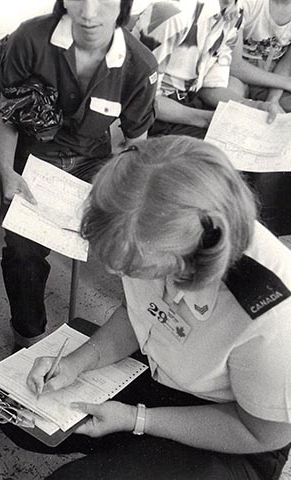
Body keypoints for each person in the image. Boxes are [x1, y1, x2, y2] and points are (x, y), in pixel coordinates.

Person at [22, 135, 291, 480]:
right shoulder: (150, 233)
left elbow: (263, 434)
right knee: (22, 418)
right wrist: (77, 363)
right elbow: (139, 314)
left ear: (188, 256)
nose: (114, 272)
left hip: (236, 430)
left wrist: (137, 420)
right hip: (164, 372)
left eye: (132, 267)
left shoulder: (274, 315)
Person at [0, 0, 159, 348]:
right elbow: (6, 116)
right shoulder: (30, 39)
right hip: (32, 162)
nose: (89, 12)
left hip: (93, 164)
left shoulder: (140, 65)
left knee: (138, 231)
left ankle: (141, 333)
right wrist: (6, 172)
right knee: (23, 251)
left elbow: (135, 146)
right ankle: (28, 337)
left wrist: (117, 193)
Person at [133, 0, 281, 139]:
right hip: (150, 117)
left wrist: (251, 106)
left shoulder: (235, 11)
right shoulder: (172, 13)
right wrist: (204, 119)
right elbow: (142, 101)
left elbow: (211, 87)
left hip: (188, 104)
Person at [229, 0, 291, 112]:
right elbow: (234, 65)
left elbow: (285, 66)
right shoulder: (248, 3)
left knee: (280, 109)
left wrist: (273, 99)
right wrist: (286, 82)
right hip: (238, 70)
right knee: (232, 101)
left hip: (273, 72)